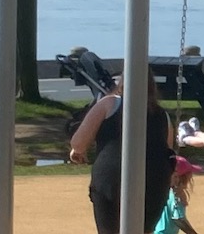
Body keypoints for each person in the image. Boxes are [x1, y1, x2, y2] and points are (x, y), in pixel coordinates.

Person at [69, 76, 175, 234]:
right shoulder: (162, 115)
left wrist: (77, 151)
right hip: (155, 181)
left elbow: (78, 143)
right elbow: (167, 148)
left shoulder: (110, 103)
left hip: (111, 178)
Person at [154, 156, 200, 234]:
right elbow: (178, 219)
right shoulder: (176, 195)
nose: (190, 177)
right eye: (188, 175)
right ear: (177, 177)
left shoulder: (165, 191)